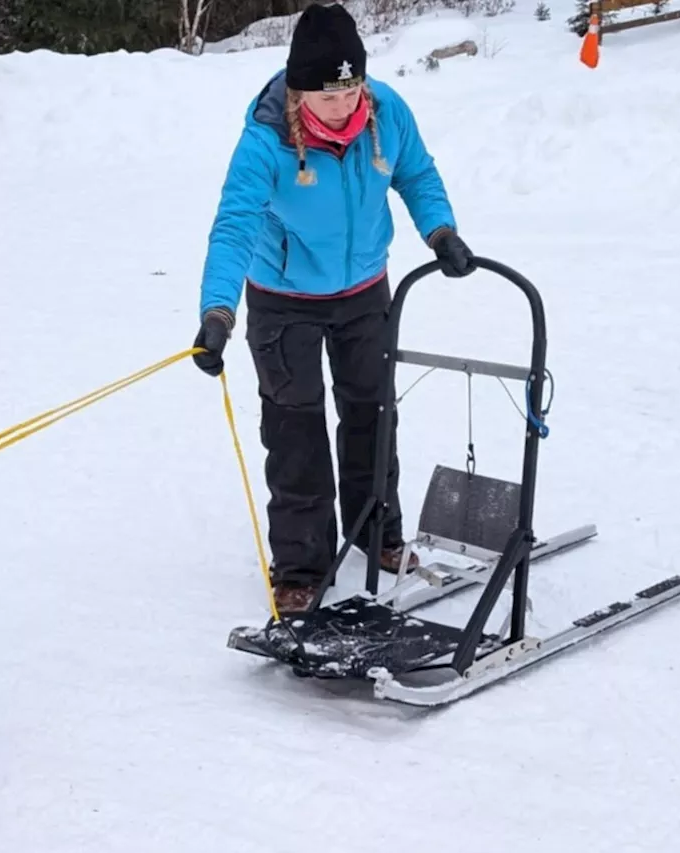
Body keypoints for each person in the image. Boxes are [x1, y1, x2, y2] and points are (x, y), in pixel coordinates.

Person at [191, 2, 474, 614]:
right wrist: (217, 313)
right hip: (282, 300)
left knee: (373, 414)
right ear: (299, 91)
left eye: (352, 91)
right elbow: (234, 226)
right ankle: (300, 567)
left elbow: (417, 175)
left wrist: (441, 233)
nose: (344, 107)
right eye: (328, 97)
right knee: (295, 433)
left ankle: (378, 534)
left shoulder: (386, 112)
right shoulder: (265, 140)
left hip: (363, 291)